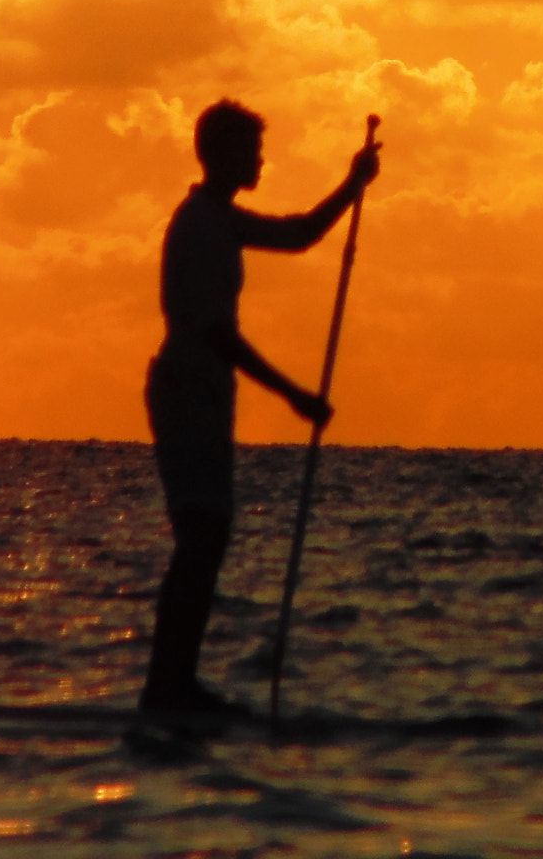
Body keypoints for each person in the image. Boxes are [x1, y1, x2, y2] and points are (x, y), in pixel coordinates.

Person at [139, 98, 381, 722]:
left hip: (206, 392)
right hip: (187, 388)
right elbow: (216, 330)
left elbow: (298, 235)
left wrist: (352, 186)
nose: (261, 160)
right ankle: (169, 688)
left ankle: (175, 685)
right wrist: (294, 394)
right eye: (251, 151)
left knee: (207, 537)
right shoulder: (199, 225)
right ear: (221, 155)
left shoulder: (221, 219)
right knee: (201, 536)